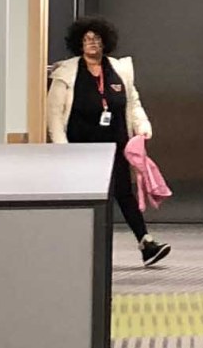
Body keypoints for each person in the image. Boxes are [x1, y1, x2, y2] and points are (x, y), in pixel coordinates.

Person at [44, 15, 171, 265]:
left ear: (105, 42)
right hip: (80, 148)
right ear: (79, 44)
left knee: (124, 193)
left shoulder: (119, 71)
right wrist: (61, 148)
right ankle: (78, 248)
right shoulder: (67, 73)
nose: (92, 43)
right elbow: (54, 114)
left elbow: (133, 103)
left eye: (97, 39)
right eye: (87, 39)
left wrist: (142, 126)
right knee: (86, 197)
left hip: (116, 145)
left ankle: (146, 243)